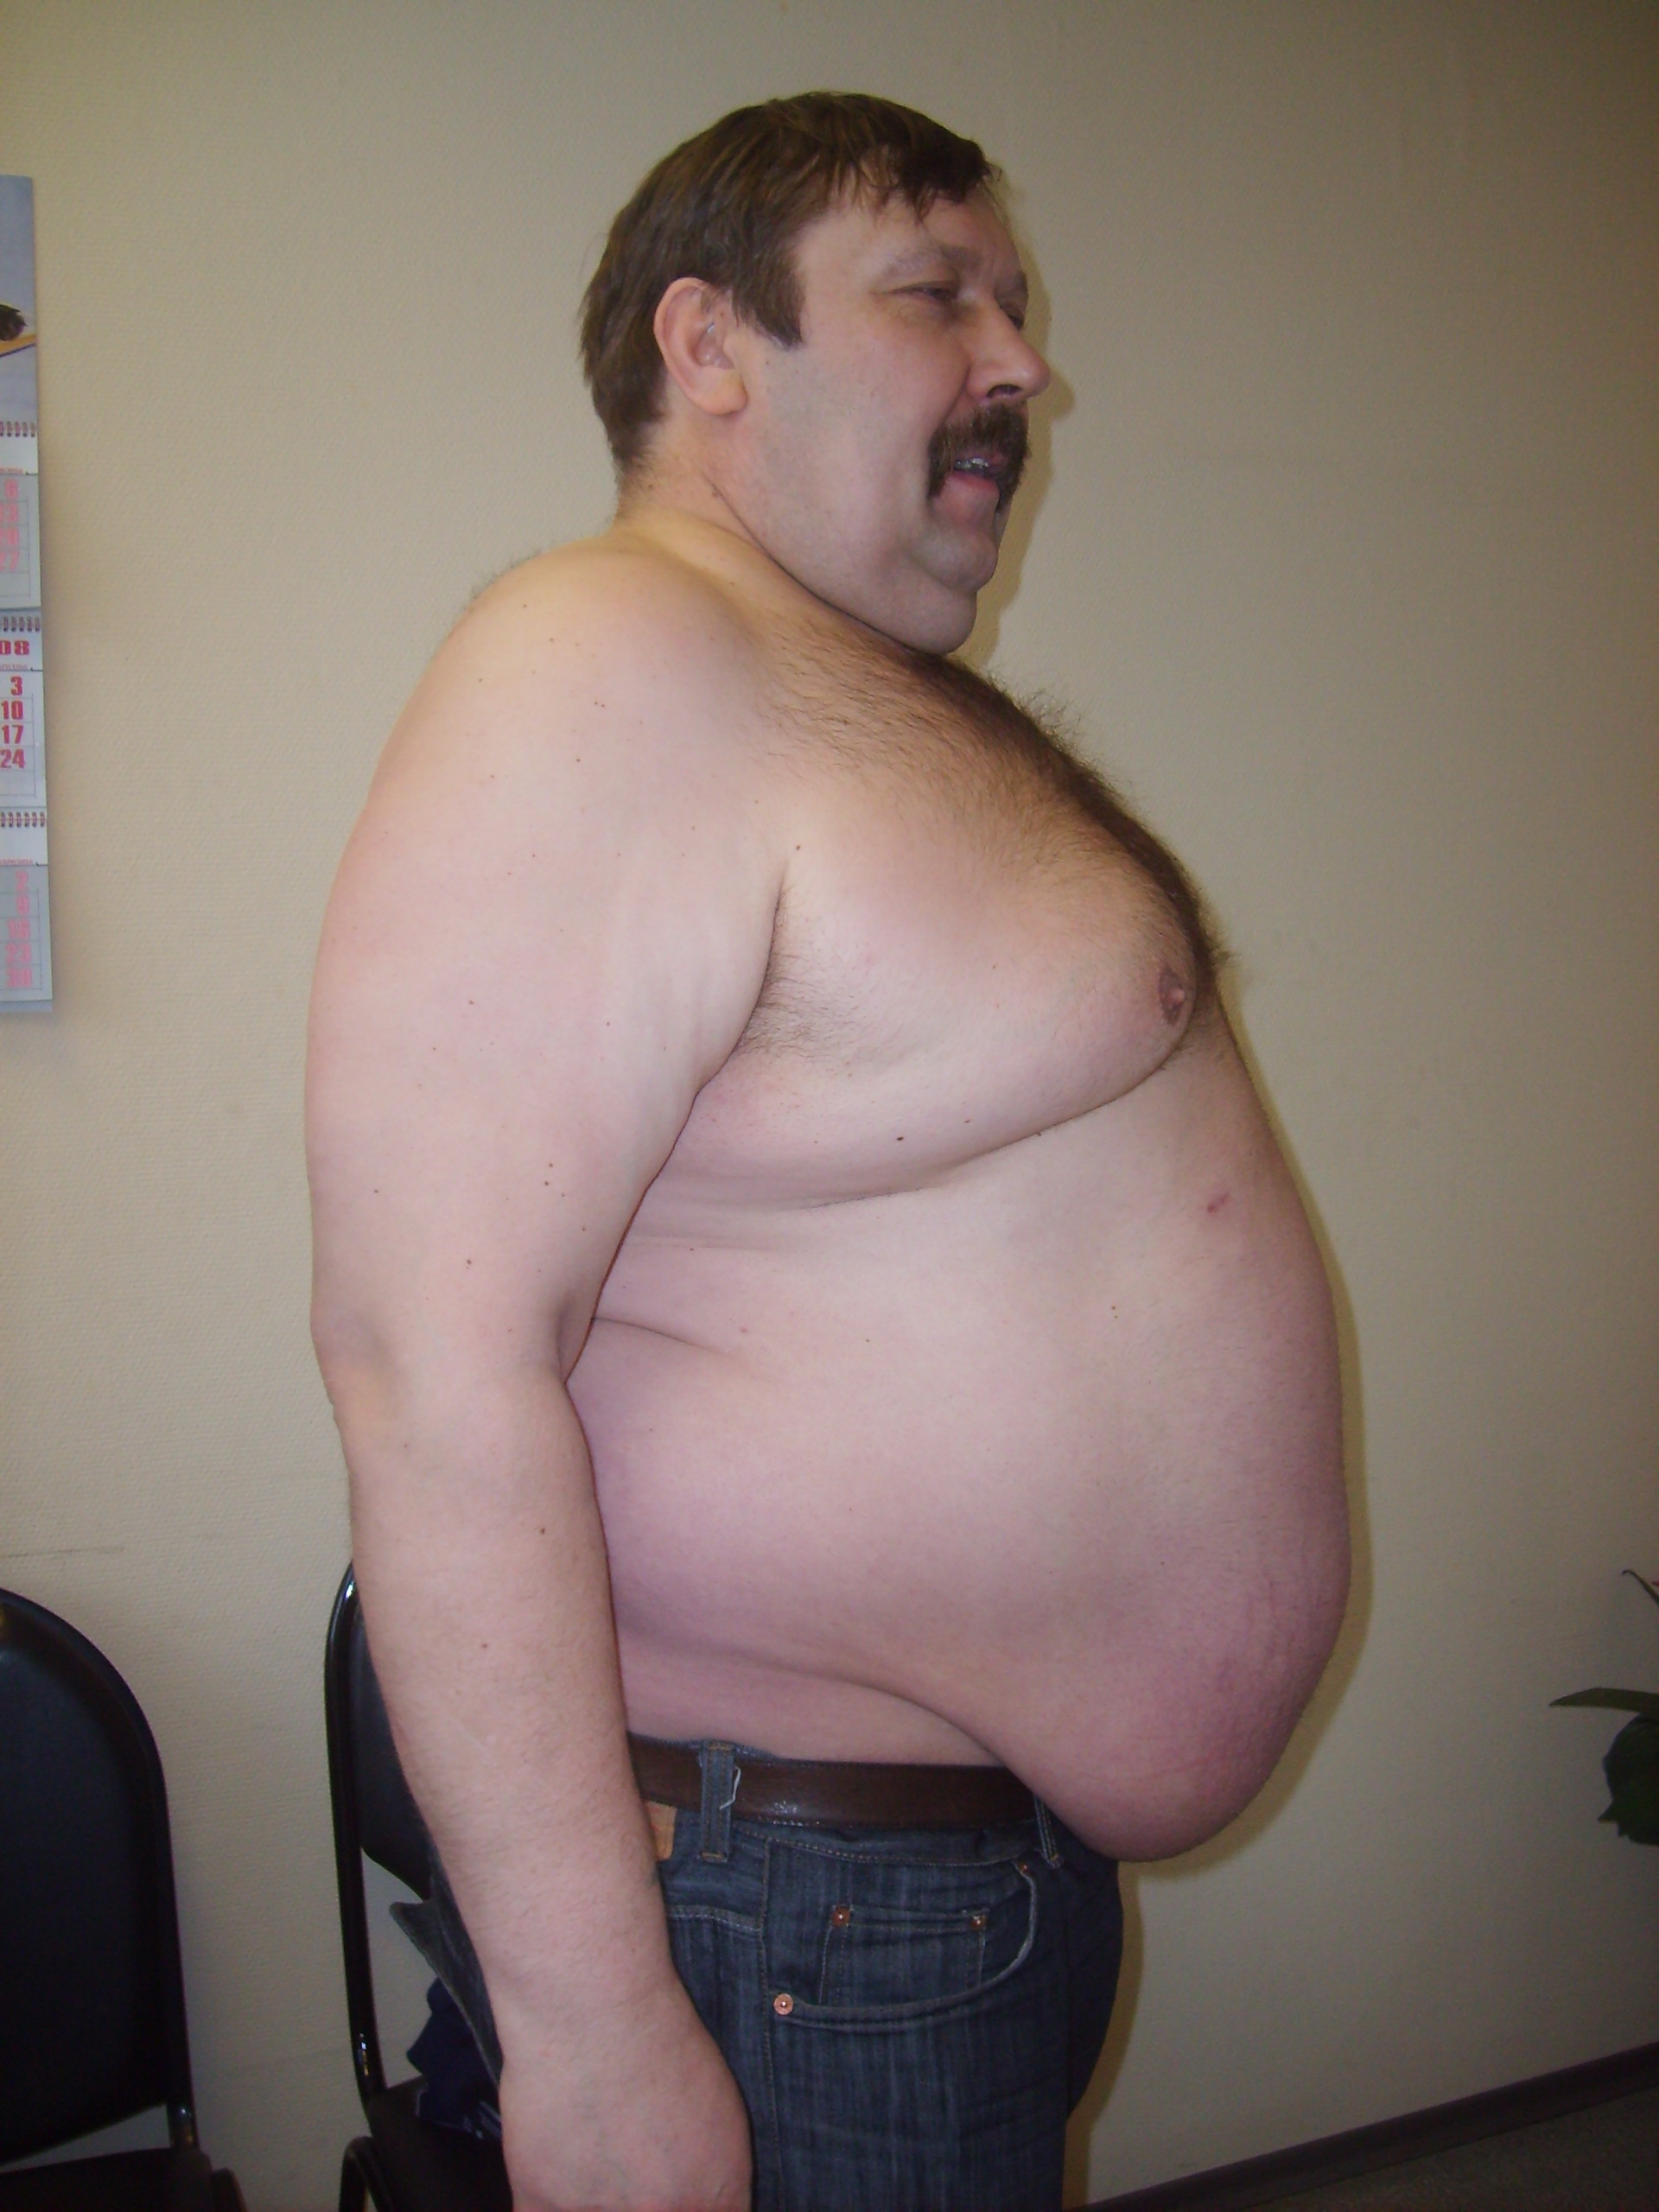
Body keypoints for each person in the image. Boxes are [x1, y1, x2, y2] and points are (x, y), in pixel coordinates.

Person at [307, 92, 1348, 2212]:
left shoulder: (819, 690)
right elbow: (431, 1361)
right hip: (786, 1921)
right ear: (710, 344)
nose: (1021, 364)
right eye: (936, 295)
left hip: (900, 1898)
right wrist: (597, 2037)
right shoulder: (610, 655)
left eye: (1018, 306)